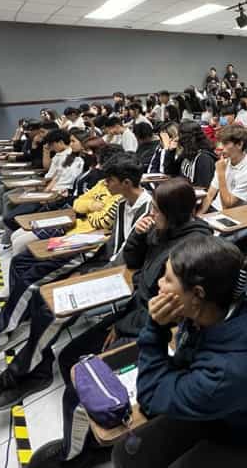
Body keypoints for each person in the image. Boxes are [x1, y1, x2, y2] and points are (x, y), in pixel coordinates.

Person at [27, 178, 214, 468]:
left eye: (155, 210)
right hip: (135, 313)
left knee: (75, 387)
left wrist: (123, 328)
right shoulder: (163, 230)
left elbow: (169, 311)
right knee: (68, 358)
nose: (150, 215)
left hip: (152, 327)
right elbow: (133, 262)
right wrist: (139, 236)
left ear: (173, 213)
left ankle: (77, 454)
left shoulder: (192, 250)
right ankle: (87, 435)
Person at [0, 154, 151, 409]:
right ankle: (35, 370)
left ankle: (18, 374)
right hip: (107, 266)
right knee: (43, 297)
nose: (105, 185)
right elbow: (113, 245)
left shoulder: (148, 210)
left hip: (122, 278)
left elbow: (133, 258)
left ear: (127, 182)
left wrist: (92, 273)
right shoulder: (121, 204)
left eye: (110, 180)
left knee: (56, 311)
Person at [107, 234, 247, 468]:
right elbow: (186, 355)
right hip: (236, 408)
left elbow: (150, 396)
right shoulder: (230, 300)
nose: (159, 284)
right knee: (126, 455)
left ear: (198, 295)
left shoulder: (231, 369)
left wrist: (155, 327)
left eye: (167, 278)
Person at [198, 125, 247, 214]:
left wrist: (221, 173)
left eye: (225, 143)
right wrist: (198, 217)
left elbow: (227, 207)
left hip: (232, 217)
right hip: (214, 210)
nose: (221, 147)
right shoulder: (224, 163)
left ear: (239, 145)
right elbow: (210, 195)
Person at [163, 121, 217, 188]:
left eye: (180, 135)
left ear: (186, 138)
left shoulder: (204, 159)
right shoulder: (188, 153)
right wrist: (170, 151)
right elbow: (170, 173)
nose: (178, 139)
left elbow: (204, 188)